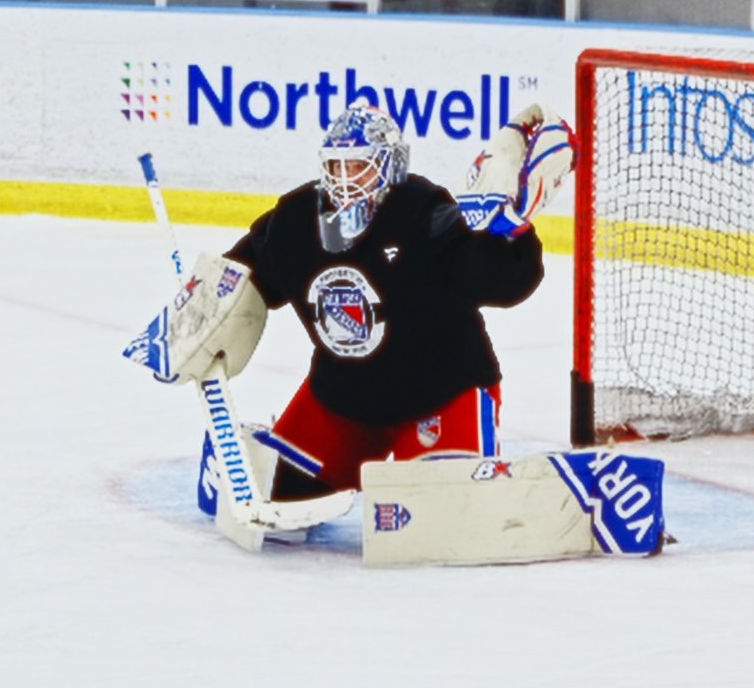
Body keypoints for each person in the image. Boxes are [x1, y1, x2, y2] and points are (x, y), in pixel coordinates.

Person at [208, 98, 576, 503]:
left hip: (439, 396)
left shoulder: (423, 213)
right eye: (337, 166)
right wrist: (197, 313)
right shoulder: (298, 220)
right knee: (278, 495)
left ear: (390, 165)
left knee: (444, 511)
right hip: (342, 398)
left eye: (359, 166)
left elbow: (501, 282)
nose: (345, 179)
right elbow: (245, 273)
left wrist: (511, 231)